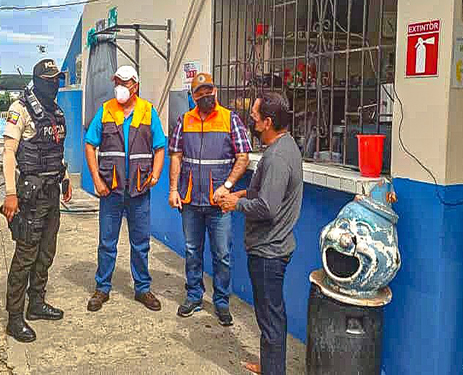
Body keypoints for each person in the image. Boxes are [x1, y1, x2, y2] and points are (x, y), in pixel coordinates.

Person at [219, 92, 303, 375]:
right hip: (272, 247)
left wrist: (235, 202)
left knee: (270, 317)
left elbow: (267, 207)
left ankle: (273, 370)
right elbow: (269, 192)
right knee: (270, 315)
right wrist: (244, 192)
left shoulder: (278, 156)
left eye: (255, 117)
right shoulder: (283, 146)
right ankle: (270, 365)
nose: (251, 120)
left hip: (269, 250)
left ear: (268, 122)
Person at [168, 73, 251, 326]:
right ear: (192, 96)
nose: (205, 96)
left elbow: (243, 156)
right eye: (200, 93)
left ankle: (222, 301)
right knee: (192, 251)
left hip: (219, 203)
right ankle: (194, 295)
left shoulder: (230, 119)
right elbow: (176, 156)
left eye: (209, 91)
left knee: (222, 254)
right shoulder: (185, 120)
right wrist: (173, 189)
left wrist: (227, 186)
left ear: (216, 90)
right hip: (191, 199)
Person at [1, 58, 73, 343]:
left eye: (57, 79)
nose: (55, 84)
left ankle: (37, 303)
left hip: (52, 191)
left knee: (46, 252)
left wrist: (65, 177)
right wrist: (10, 193)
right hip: (30, 196)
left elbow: (55, 149)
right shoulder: (20, 109)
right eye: (50, 80)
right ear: (38, 81)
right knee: (25, 256)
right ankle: (14, 318)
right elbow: (8, 153)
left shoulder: (55, 111)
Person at [84, 65, 166, 313]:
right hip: (111, 190)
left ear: (135, 85)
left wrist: (156, 174)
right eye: (117, 81)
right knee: (107, 242)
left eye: (124, 82)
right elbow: (90, 145)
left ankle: (142, 288)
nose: (119, 86)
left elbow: (160, 147)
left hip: (139, 190)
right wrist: (97, 180)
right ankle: (102, 288)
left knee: (140, 242)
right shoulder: (106, 111)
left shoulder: (149, 111)